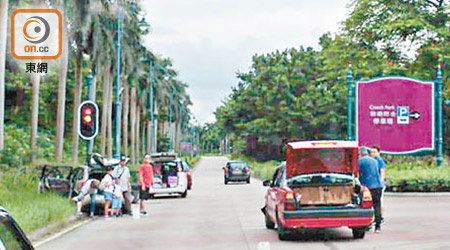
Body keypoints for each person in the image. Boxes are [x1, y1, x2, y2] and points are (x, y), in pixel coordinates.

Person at [358, 146, 383, 233]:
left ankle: (367, 224)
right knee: (377, 206)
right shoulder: (374, 160)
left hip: (367, 187)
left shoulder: (360, 161)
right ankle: (378, 226)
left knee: (366, 205)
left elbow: (356, 172)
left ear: (360, 154)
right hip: (378, 185)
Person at [370, 145, 386, 223]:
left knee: (379, 201)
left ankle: (380, 217)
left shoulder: (379, 160)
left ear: (378, 153)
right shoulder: (371, 160)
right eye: (371, 152)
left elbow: (382, 171)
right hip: (375, 183)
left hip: (378, 184)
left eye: (374, 152)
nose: (372, 153)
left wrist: (381, 182)